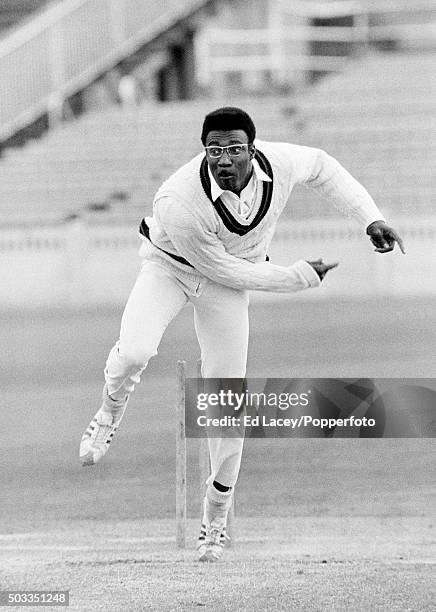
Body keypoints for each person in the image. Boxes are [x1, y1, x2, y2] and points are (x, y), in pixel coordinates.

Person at [79, 106, 405, 562]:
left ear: (253, 149)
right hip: (170, 269)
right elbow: (221, 267)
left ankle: (215, 518)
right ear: (204, 151)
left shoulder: (282, 162)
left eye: (234, 148)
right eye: (214, 149)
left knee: (225, 400)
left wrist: (370, 218)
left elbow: (324, 168)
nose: (224, 159)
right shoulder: (177, 199)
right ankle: (109, 413)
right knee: (135, 349)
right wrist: (298, 278)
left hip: (227, 287)